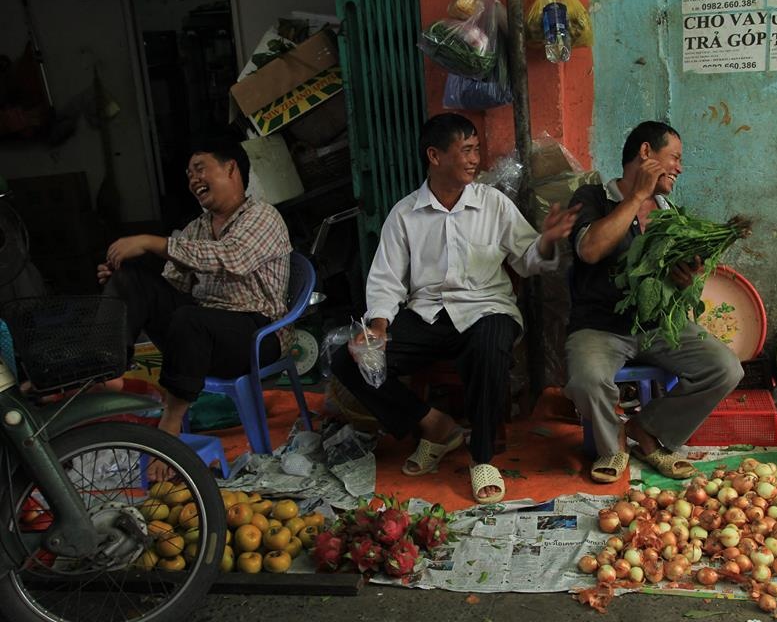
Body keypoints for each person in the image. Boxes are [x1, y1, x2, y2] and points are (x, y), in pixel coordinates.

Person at [331, 113, 580, 504]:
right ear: (434, 155)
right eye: (465, 150)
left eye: (476, 149)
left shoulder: (493, 204)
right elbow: (386, 280)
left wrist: (546, 240)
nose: (474, 159)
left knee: (490, 342)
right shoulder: (405, 214)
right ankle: (434, 425)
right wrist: (377, 328)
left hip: (486, 309)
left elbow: (528, 259)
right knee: (349, 360)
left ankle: (482, 457)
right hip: (427, 314)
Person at [97, 138, 293, 479]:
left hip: (257, 333)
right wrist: (123, 285)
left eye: (200, 168)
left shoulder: (263, 216)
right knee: (134, 281)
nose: (192, 179)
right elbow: (172, 285)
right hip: (200, 334)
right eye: (189, 174)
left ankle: (169, 428)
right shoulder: (198, 227)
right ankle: (106, 369)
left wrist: (150, 242)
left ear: (231, 168)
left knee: (190, 319)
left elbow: (233, 259)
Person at [564, 121, 743, 483]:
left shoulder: (668, 215)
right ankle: (612, 445)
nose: (679, 167)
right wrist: (635, 198)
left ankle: (647, 430)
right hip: (599, 327)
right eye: (674, 157)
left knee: (725, 368)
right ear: (646, 153)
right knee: (587, 379)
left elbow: (668, 284)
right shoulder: (592, 198)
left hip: (657, 326)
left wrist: (682, 280)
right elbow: (590, 250)